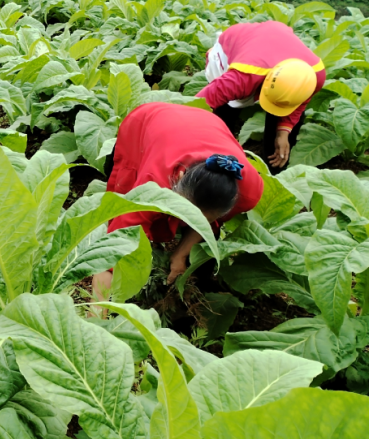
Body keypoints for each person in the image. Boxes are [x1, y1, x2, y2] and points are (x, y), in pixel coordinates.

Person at [96, 102, 263, 300]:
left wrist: (181, 253)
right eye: (186, 212)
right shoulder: (153, 182)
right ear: (178, 177)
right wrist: (96, 316)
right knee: (126, 206)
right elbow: (111, 253)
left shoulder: (249, 191)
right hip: (149, 120)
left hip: (207, 124)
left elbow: (208, 223)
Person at [197, 21, 325, 172]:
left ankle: (274, 174)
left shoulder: (315, 75)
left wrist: (284, 132)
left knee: (283, 114)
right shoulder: (241, 77)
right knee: (222, 113)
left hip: (276, 39)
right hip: (237, 41)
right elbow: (198, 105)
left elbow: (300, 102)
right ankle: (216, 158)